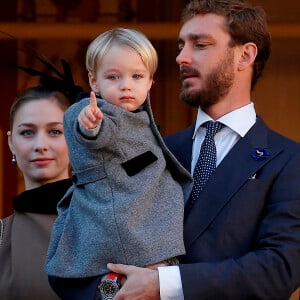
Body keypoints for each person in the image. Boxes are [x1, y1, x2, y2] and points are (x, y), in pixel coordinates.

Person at [106, 1, 300, 299]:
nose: (182, 58)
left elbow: (280, 268)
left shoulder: (289, 161)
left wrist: (164, 284)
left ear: (245, 55)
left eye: (200, 44)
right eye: (181, 45)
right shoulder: (158, 149)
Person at [45, 28, 193, 299]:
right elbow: (97, 134)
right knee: (121, 279)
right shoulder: (95, 111)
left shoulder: (137, 114)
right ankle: (111, 287)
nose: (126, 85)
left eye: (137, 76)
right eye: (114, 77)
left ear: (150, 82)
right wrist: (90, 126)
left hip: (140, 219)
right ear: (94, 81)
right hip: (120, 222)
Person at [0, 86, 73, 299]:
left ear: (75, 138)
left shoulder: (108, 223)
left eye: (55, 132)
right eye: (27, 133)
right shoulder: (2, 236)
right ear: (11, 142)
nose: (40, 145)